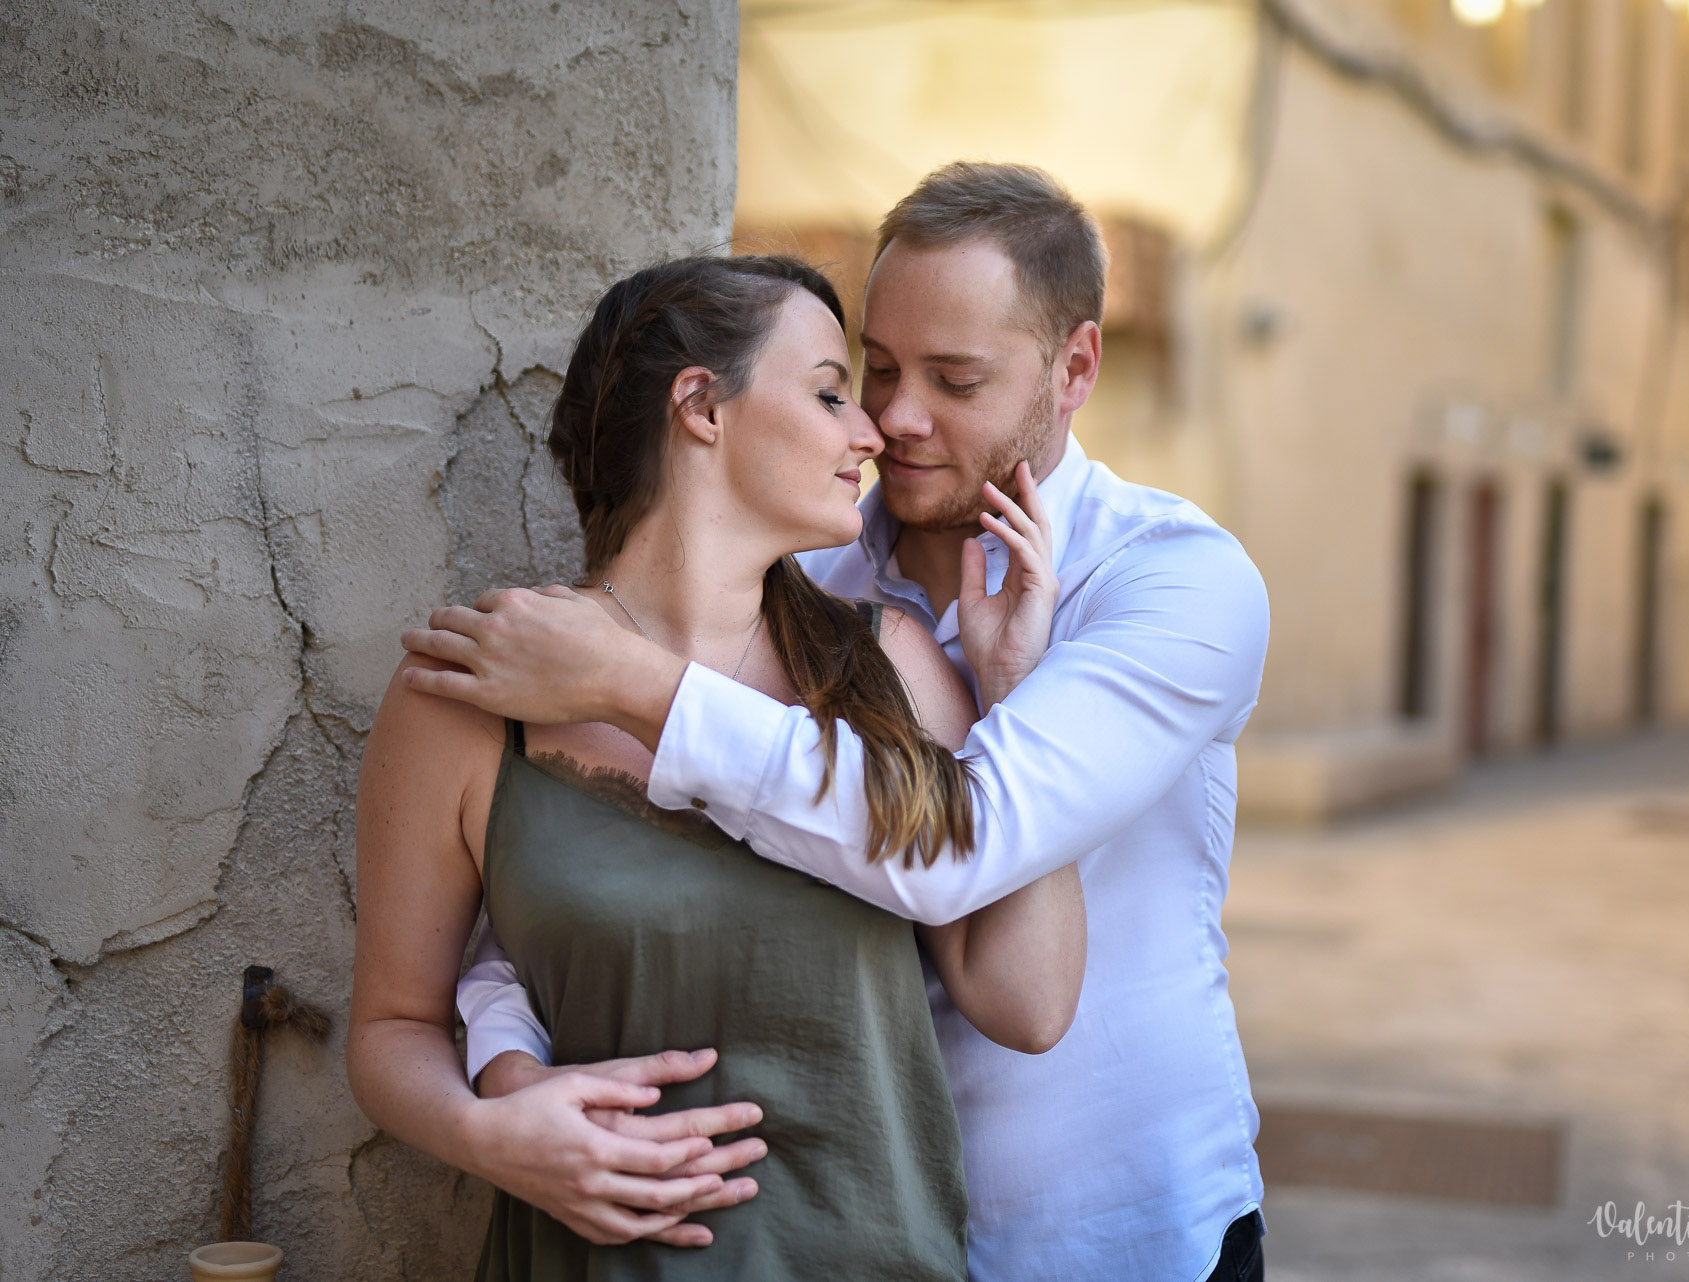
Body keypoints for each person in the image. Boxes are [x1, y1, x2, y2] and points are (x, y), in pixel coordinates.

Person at [412, 162, 1271, 1282]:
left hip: (1112, 1231)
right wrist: (510, 1076)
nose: (893, 420)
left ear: (1075, 368)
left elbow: (983, 838)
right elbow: (563, 891)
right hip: (842, 1223)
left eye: (954, 379)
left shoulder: (1176, 584)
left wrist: (634, 685)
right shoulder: (791, 577)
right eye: (872, 372)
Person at [347, 252, 1086, 1278]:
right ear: (702, 406)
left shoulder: (891, 666)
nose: (871, 432)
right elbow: (391, 1026)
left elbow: (1029, 998)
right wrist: (491, 1138)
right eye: (832, 393)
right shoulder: (470, 701)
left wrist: (1013, 695)